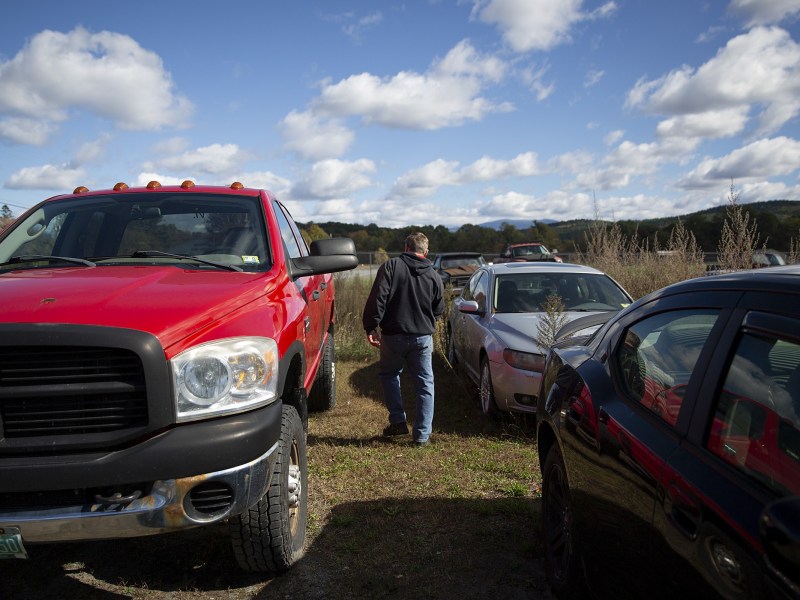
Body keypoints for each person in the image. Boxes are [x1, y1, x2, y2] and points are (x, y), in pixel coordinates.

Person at [362, 232, 445, 446]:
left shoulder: (390, 267)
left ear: (406, 247)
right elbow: (439, 309)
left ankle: (398, 420)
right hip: (422, 338)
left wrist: (371, 326)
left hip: (393, 336)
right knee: (425, 383)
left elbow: (378, 297)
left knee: (390, 375)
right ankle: (422, 435)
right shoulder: (434, 276)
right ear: (425, 252)